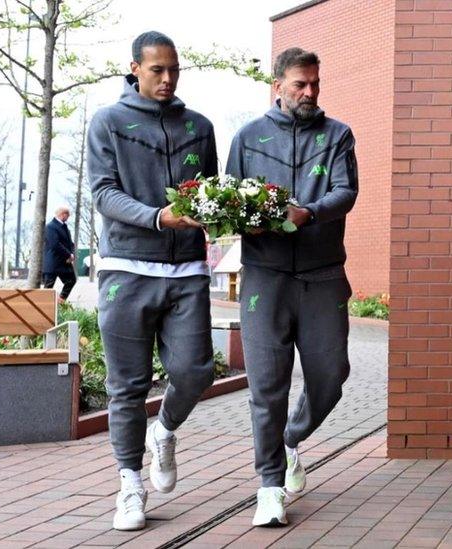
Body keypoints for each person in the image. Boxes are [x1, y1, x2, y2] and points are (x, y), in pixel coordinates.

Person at [89, 31, 219, 531]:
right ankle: (129, 486)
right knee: (127, 387)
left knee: (195, 371)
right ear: (135, 69)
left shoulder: (200, 127)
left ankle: (163, 431)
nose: (167, 80)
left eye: (174, 71)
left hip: (186, 268)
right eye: (157, 70)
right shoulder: (108, 122)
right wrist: (157, 217)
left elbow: (208, 193)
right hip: (126, 267)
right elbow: (102, 192)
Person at [226, 47, 358, 527]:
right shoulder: (248, 137)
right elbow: (230, 197)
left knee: (331, 376)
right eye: (300, 84)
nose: (310, 92)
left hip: (323, 275)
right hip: (265, 275)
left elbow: (345, 191)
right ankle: (269, 486)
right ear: (277, 85)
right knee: (267, 385)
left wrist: (309, 211)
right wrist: (246, 221)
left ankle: (289, 437)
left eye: (315, 84)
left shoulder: (337, 135)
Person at [42, 207, 78, 304]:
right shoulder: (50, 226)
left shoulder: (64, 227)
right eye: (68, 215)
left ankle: (61, 301)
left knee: (71, 280)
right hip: (52, 263)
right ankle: (44, 307)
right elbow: (55, 244)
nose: (68, 217)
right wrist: (68, 255)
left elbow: (71, 244)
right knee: (48, 288)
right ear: (63, 214)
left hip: (64, 263)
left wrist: (72, 255)